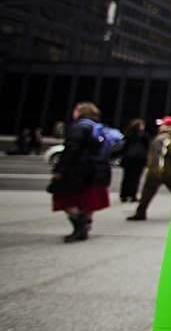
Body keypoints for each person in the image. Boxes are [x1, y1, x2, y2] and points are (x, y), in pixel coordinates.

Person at [50, 102, 111, 242]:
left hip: (79, 169)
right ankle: (85, 225)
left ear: (80, 112)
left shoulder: (80, 127)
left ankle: (79, 225)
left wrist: (60, 169)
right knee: (88, 200)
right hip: (98, 168)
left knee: (63, 198)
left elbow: (71, 149)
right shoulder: (100, 128)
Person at [127, 116, 171, 221]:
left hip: (160, 171)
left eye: (162, 124)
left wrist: (156, 170)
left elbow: (159, 155)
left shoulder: (162, 138)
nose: (159, 127)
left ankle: (140, 213)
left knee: (147, 192)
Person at [118, 118, 150, 203]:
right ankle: (132, 195)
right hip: (139, 159)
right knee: (135, 178)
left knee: (126, 177)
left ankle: (123, 195)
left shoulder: (128, 134)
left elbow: (123, 146)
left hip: (128, 158)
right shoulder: (144, 135)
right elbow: (148, 146)